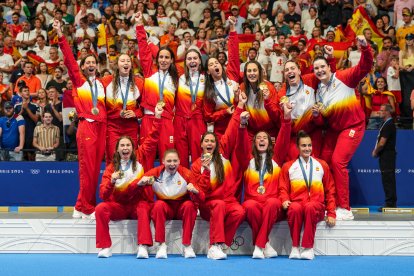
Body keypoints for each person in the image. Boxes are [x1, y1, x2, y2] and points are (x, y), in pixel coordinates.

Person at [312, 36, 373, 220]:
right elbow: (323, 122)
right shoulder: (319, 92)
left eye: (323, 66)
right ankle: (328, 203)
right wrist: (317, 116)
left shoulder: (345, 77)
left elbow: (365, 66)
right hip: (334, 129)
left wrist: (364, 47)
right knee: (323, 162)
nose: (320, 70)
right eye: (316, 68)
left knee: (338, 161)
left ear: (330, 67)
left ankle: (345, 208)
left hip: (353, 126)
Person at [95, 103, 163, 258]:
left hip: (137, 205)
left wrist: (157, 117)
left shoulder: (141, 156)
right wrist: (111, 182)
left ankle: (143, 246)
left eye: (128, 145)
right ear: (117, 149)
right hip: (119, 206)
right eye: (122, 146)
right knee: (100, 208)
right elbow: (103, 195)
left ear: (133, 148)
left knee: (143, 208)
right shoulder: (111, 168)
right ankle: (105, 247)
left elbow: (152, 138)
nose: (125, 148)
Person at [55, 20, 106, 219]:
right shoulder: (79, 81)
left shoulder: (103, 84)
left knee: (95, 169)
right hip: (87, 127)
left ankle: (80, 205)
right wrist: (60, 35)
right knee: (86, 169)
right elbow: (68, 59)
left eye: (93, 62)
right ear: (83, 67)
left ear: (97, 66)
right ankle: (87, 207)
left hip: (102, 127)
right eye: (87, 63)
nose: (91, 65)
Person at [191, 93, 247, 260]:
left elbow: (231, 129)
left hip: (227, 201)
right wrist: (206, 170)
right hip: (209, 204)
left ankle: (223, 244)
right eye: (206, 141)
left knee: (239, 211)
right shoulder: (196, 165)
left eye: (212, 141)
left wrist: (240, 106)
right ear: (201, 144)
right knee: (219, 204)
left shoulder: (222, 154)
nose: (210, 143)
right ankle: (213, 246)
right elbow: (199, 192)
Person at [237, 101, 292, 259]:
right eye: (258, 138)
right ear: (254, 142)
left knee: (273, 202)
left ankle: (258, 246)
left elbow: (284, 138)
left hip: (271, 203)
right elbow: (241, 146)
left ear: (270, 143)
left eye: (265, 138)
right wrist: (242, 126)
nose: (261, 140)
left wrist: (287, 118)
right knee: (249, 205)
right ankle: (265, 244)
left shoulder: (276, 159)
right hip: (252, 202)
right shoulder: (247, 160)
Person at [279, 130, 336, 260]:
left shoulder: (322, 165)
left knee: (310, 206)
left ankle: (308, 247)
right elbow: (283, 188)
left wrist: (331, 213)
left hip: (316, 206)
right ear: (297, 147)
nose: (307, 148)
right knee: (294, 208)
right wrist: (284, 199)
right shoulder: (288, 166)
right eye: (304, 145)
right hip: (297, 204)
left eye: (309, 145)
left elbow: (330, 190)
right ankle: (294, 247)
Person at [138, 149, 205, 259]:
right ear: (163, 161)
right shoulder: (155, 173)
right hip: (165, 208)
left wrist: (195, 191)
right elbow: (137, 187)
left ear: (179, 161)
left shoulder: (187, 174)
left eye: (175, 161)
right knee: (158, 205)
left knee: (190, 206)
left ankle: (187, 245)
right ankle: (161, 245)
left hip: (181, 208)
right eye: (169, 161)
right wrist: (139, 184)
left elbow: (202, 197)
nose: (172, 164)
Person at [135, 11, 179, 171]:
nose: (163, 60)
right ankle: (145, 195)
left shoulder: (176, 78)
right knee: (145, 157)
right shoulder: (149, 71)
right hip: (149, 119)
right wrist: (139, 25)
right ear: (157, 59)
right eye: (161, 57)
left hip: (167, 121)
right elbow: (143, 50)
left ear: (172, 60)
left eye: (167, 57)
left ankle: (167, 195)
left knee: (168, 159)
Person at [101, 53, 144, 165]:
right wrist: (116, 113)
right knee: (113, 157)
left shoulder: (139, 82)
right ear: (116, 65)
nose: (126, 63)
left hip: (131, 126)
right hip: (113, 126)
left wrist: (136, 113)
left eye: (128, 61)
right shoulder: (105, 81)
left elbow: (145, 106)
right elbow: (101, 106)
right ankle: (112, 182)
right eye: (122, 61)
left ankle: (130, 183)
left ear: (131, 65)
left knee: (132, 158)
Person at [203, 16, 240, 140]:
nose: (215, 65)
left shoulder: (232, 76)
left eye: (216, 62)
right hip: (221, 131)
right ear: (208, 71)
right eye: (211, 64)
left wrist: (232, 28)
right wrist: (224, 112)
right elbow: (208, 116)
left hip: (239, 125)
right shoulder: (209, 91)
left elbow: (234, 55)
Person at [174, 48, 207, 168]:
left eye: (195, 58)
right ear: (185, 62)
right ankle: (182, 183)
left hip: (197, 120)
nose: (192, 61)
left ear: (200, 61)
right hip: (180, 119)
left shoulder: (206, 79)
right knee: (181, 154)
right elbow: (164, 56)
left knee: (198, 153)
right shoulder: (179, 77)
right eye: (189, 59)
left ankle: (198, 182)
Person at [372, 104, 397, 211]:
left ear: (387, 112)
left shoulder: (388, 124)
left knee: (388, 180)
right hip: (386, 155)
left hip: (387, 156)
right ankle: (390, 202)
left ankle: (390, 204)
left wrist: (375, 151)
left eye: (382, 110)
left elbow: (382, 143)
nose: (379, 112)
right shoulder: (386, 123)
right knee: (387, 179)